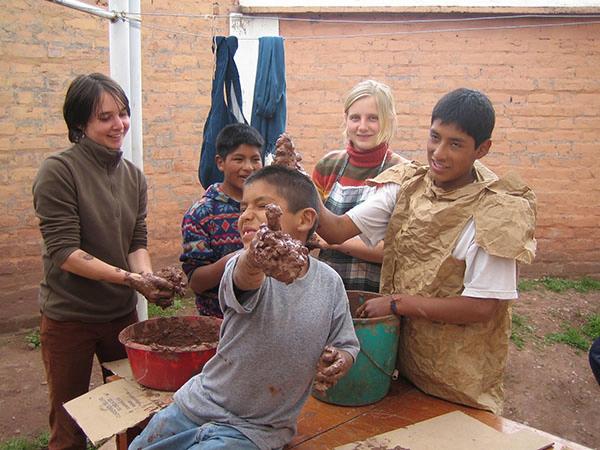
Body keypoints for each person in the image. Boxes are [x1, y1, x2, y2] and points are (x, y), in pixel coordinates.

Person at [316, 88, 537, 414]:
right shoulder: (408, 185)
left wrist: (396, 303)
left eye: (456, 144)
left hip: (459, 380)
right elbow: (335, 230)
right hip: (401, 364)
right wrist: (295, 182)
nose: (439, 152)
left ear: (482, 149)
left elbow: (482, 308)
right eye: (435, 137)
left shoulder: (497, 211)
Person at [130, 165, 360, 450]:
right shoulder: (244, 266)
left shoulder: (330, 283)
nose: (246, 215)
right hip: (197, 405)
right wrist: (254, 256)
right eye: (243, 207)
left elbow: (347, 342)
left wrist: (340, 358)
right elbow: (245, 278)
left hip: (256, 429)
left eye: (262, 206)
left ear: (305, 219)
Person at [32, 73, 176, 450]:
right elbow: (65, 253)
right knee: (70, 422)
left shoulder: (133, 177)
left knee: (136, 413)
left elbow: (136, 242)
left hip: (120, 315)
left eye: (123, 113)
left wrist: (147, 276)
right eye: (105, 117)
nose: (119, 125)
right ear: (80, 124)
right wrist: (132, 280)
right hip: (69, 318)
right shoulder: (58, 171)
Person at [312, 80, 407, 293]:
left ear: (388, 121)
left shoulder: (402, 172)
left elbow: (396, 252)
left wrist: (333, 241)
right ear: (346, 119)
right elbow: (308, 228)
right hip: (326, 291)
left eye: (373, 118)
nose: (362, 127)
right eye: (355, 118)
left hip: (376, 298)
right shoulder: (328, 165)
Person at [180, 123, 264, 317]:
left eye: (255, 159)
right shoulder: (201, 214)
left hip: (264, 317)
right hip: (220, 321)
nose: (248, 167)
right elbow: (196, 282)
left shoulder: (271, 209)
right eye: (239, 159)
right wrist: (240, 259)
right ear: (220, 162)